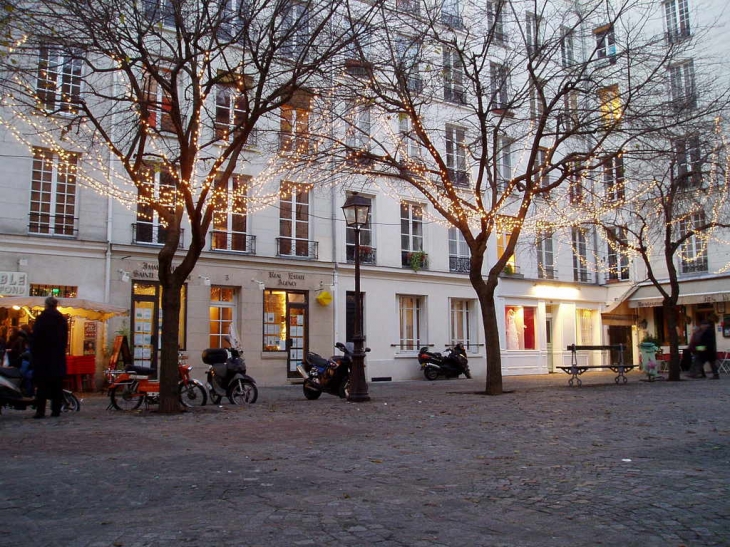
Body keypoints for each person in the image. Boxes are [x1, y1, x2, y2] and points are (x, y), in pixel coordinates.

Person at [31, 296, 68, 418]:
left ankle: (40, 411)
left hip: (43, 358)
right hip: (57, 358)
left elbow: (35, 339)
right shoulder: (61, 320)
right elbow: (64, 340)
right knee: (57, 386)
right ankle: (55, 410)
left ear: (46, 305)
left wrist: (34, 354)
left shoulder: (41, 319)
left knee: (42, 386)